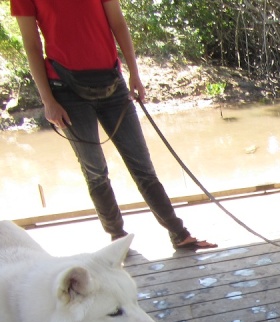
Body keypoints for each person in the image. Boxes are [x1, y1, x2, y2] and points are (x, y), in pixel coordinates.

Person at [11, 0, 217, 251]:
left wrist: (134, 73)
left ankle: (178, 233)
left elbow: (118, 24)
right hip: (65, 88)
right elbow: (32, 46)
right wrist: (47, 100)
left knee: (142, 166)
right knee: (95, 171)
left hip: (112, 83)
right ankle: (117, 238)